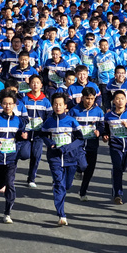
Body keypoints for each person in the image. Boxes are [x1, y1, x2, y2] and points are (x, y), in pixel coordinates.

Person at [39, 92, 84, 226]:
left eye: (60, 104)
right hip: (55, 157)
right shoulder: (49, 122)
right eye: (55, 104)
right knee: (59, 185)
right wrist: (50, 143)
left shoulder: (72, 121)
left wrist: (67, 148)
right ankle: (61, 215)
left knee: (67, 185)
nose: (57, 107)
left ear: (65, 106)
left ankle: (62, 184)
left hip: (70, 157)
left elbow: (80, 139)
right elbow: (43, 135)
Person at [0, 90, 27, 224]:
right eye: (5, 103)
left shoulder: (18, 121)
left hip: (12, 158)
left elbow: (21, 136)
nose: (8, 106)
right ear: (1, 104)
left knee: (10, 183)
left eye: (10, 104)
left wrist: (23, 138)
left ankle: (7, 213)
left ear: (14, 105)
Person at [101, 90, 127, 205]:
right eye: (117, 99)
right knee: (117, 168)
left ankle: (115, 175)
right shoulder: (108, 116)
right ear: (113, 101)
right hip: (115, 146)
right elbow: (105, 130)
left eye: (122, 99)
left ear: (126, 101)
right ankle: (118, 194)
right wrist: (105, 136)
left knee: (122, 168)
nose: (120, 101)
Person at [68, 86, 103, 201]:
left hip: (92, 144)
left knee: (90, 169)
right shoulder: (74, 111)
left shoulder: (98, 111)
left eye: (92, 99)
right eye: (87, 98)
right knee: (82, 165)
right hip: (78, 144)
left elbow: (102, 126)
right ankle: (77, 171)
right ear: (82, 98)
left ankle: (83, 191)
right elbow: (69, 126)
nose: (89, 101)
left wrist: (99, 131)